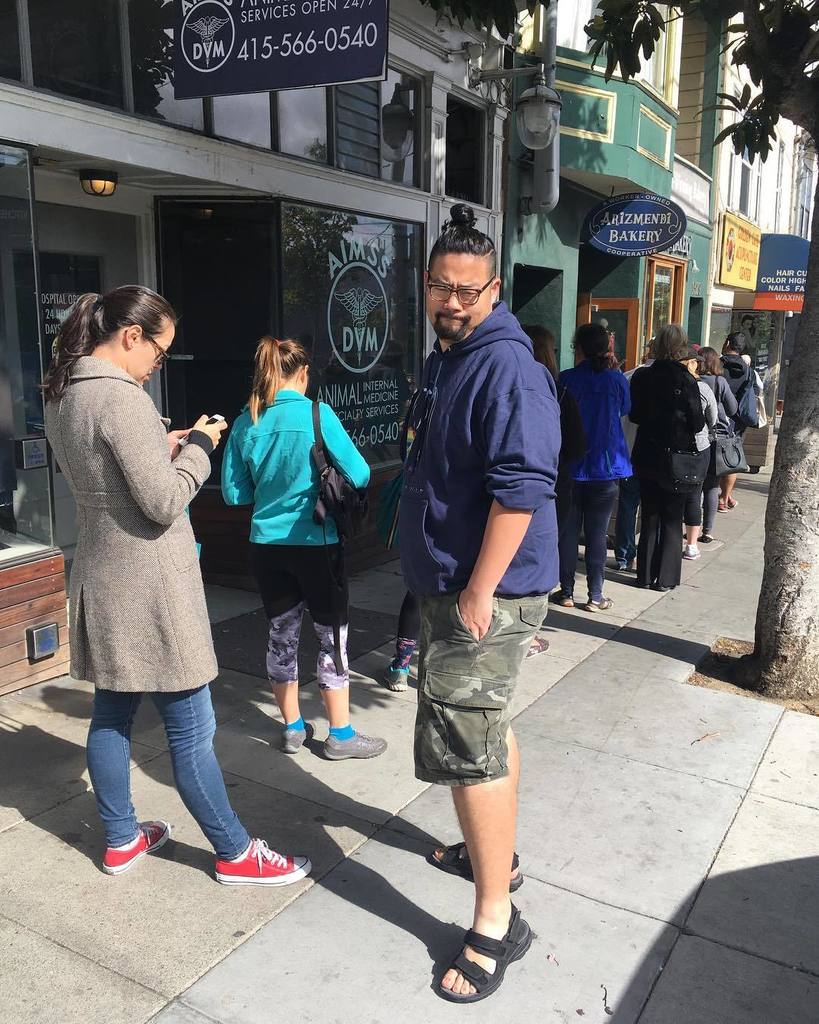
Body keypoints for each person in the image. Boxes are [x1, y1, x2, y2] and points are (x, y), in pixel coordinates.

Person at [42, 287, 310, 886]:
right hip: (151, 588)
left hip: (102, 576)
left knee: (111, 715)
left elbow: (108, 475)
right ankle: (236, 852)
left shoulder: (64, 392)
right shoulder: (122, 400)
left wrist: (162, 447)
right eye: (159, 353)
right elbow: (163, 500)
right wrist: (200, 448)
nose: (158, 364)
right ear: (130, 336)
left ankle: (120, 839)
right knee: (192, 729)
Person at [401, 205, 559, 1002]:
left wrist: (478, 591)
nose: (453, 302)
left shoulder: (508, 367)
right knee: (484, 728)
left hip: (482, 591)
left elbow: (523, 489)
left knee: (467, 745)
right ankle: (493, 853)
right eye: (441, 287)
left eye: (469, 291)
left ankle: (497, 918)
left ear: (494, 290)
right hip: (452, 580)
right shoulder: (447, 357)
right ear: (426, 284)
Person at [221, 336, 386, 761]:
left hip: (267, 548)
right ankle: (341, 734)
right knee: (332, 637)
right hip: (318, 543)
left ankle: (293, 728)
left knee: (281, 637)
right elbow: (361, 472)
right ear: (303, 372)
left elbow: (235, 494)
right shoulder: (318, 414)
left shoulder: (246, 422)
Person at [553, 322, 631, 611]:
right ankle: (596, 595)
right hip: (606, 466)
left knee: (568, 532)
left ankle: (567, 591)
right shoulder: (616, 380)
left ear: (579, 348)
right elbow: (625, 409)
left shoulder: (566, 379)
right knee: (597, 535)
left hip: (572, 465)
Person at [630, 324, 706, 591]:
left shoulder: (642, 376)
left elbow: (635, 415)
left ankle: (645, 574)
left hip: (647, 452)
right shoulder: (686, 379)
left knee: (650, 513)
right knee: (673, 517)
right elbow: (698, 422)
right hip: (677, 455)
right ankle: (666, 577)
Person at [523, 324, 585, 634]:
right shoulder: (561, 394)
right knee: (543, 551)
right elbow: (577, 445)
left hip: (534, 487)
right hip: (554, 485)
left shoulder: (516, 390)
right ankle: (529, 628)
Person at [614, 340, 655, 571]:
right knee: (649, 507)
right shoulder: (667, 380)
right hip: (650, 453)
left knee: (628, 505)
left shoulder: (629, 376)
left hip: (627, 449)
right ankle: (644, 557)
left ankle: (624, 555)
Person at [697, 346, 738, 543]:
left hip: (695, 439)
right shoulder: (719, 382)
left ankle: (692, 530)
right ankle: (707, 530)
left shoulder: (692, 381)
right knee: (711, 486)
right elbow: (732, 408)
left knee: (696, 486)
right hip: (717, 439)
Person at [681, 346, 718, 561]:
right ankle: (691, 545)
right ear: (694, 364)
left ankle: (672, 538)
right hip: (698, 446)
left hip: (674, 447)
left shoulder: (671, 387)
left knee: (674, 494)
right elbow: (712, 419)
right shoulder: (703, 389)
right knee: (694, 495)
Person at [719, 333, 760, 512]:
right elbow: (757, 391)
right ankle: (724, 497)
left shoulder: (718, 364)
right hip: (738, 420)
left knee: (712, 458)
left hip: (717, 417)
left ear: (727, 343)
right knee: (732, 459)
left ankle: (713, 498)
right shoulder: (749, 371)